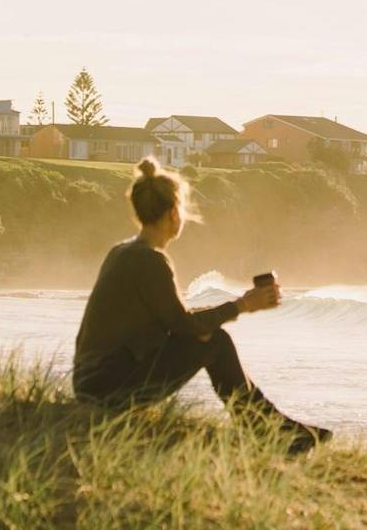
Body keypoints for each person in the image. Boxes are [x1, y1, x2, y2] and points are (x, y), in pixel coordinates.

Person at [72, 156, 331, 454]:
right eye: (181, 209)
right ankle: (273, 433)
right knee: (216, 342)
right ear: (172, 213)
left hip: (93, 381)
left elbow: (175, 320)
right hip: (110, 389)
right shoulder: (149, 260)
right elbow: (182, 324)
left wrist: (229, 311)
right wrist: (241, 305)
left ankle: (275, 429)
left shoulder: (122, 251)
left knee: (210, 337)